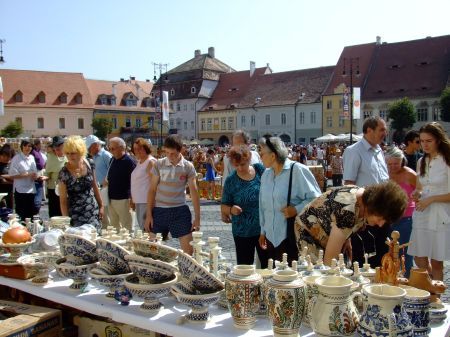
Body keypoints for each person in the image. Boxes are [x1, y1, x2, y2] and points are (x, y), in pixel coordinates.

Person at [295, 181, 408, 265]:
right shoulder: (347, 212)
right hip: (308, 231)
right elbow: (330, 260)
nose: (380, 224)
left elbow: (338, 222)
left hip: (326, 229)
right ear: (376, 205)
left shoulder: (363, 197)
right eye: (381, 218)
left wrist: (345, 237)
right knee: (317, 270)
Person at [258, 136, 321, 264]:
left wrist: (295, 209)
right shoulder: (266, 174)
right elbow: (262, 205)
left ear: (273, 155)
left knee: (289, 278)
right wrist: (263, 231)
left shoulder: (297, 170)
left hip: (291, 237)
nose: (260, 156)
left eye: (262, 153)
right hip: (270, 238)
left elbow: (317, 199)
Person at [343, 116, 390, 268]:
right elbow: (349, 186)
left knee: (383, 256)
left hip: (382, 215)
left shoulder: (378, 151)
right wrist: (356, 217)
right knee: (363, 261)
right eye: (382, 129)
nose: (385, 133)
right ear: (369, 130)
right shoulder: (354, 151)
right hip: (365, 217)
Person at [145, 135, 201, 255]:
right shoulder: (159, 164)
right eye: (167, 152)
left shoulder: (188, 166)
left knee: (188, 252)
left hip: (179, 210)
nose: (170, 156)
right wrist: (149, 215)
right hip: (159, 210)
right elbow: (152, 190)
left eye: (173, 153)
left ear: (180, 150)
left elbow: (194, 192)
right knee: (152, 251)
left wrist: (197, 218)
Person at [408, 122, 450, 282]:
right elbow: (420, 187)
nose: (424, 144)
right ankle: (431, 285)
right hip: (422, 213)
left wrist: (431, 199)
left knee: (437, 261)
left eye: (428, 141)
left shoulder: (447, 161)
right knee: (419, 258)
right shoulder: (421, 162)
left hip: (441, 216)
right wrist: (416, 194)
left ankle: (436, 297)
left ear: (438, 140)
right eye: (421, 141)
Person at [221, 145, 268, 267]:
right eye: (236, 165)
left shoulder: (260, 170)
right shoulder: (231, 180)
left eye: (242, 164)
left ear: (249, 159)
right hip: (242, 231)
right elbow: (224, 206)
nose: (239, 168)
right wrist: (231, 209)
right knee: (244, 267)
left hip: (264, 229)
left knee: (267, 265)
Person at [58, 136, 103, 231]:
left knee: (95, 241)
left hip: (92, 213)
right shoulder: (63, 173)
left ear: (81, 152)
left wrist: (101, 206)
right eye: (67, 153)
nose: (70, 156)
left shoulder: (89, 163)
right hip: (75, 216)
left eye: (73, 153)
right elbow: (62, 201)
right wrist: (66, 222)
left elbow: (95, 186)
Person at [385, 146, 416, 277]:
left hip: (406, 219)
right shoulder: (385, 173)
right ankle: (391, 280)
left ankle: (408, 281)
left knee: (405, 254)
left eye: (396, 163)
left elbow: (422, 191)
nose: (392, 166)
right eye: (389, 163)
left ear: (402, 161)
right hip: (388, 219)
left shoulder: (410, 174)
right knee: (389, 253)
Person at [106, 137, 136, 232]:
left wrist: (132, 199)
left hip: (124, 199)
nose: (111, 151)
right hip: (111, 198)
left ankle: (129, 246)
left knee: (127, 228)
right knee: (114, 227)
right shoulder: (112, 160)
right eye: (109, 148)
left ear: (122, 147)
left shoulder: (129, 161)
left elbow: (134, 182)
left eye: (113, 148)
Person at [7, 140, 40, 221]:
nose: (27, 148)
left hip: (31, 189)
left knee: (31, 214)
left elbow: (34, 171)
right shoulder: (16, 158)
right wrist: (27, 174)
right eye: (25, 146)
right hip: (20, 189)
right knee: (21, 213)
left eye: (29, 146)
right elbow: (12, 175)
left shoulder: (32, 157)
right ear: (21, 147)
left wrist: (36, 176)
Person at [86, 134, 113, 227]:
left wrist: (107, 182)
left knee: (108, 216)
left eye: (89, 148)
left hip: (106, 188)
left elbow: (112, 170)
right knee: (103, 216)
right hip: (98, 189)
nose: (88, 151)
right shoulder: (93, 157)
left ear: (95, 145)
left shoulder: (105, 155)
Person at [130, 138, 156, 231]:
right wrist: (133, 199)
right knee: (143, 229)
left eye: (140, 148)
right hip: (139, 201)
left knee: (148, 230)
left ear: (146, 148)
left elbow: (155, 185)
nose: (137, 151)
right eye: (135, 149)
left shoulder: (150, 162)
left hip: (147, 202)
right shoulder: (140, 162)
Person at [45, 136, 66, 218]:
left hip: (66, 188)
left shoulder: (68, 155)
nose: (59, 151)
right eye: (56, 149)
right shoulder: (51, 157)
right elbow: (47, 173)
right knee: (55, 213)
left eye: (60, 148)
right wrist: (45, 177)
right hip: (53, 188)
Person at [31, 139, 46, 215]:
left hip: (39, 178)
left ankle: (36, 216)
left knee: (38, 201)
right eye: (40, 144)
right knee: (36, 202)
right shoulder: (33, 153)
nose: (41, 145)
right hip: (35, 178)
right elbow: (39, 165)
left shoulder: (38, 153)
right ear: (37, 145)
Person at [0, 144, 15, 209]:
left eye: (8, 156)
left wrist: (3, 177)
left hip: (10, 192)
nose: (6, 158)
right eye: (4, 156)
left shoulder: (12, 165)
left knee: (10, 212)